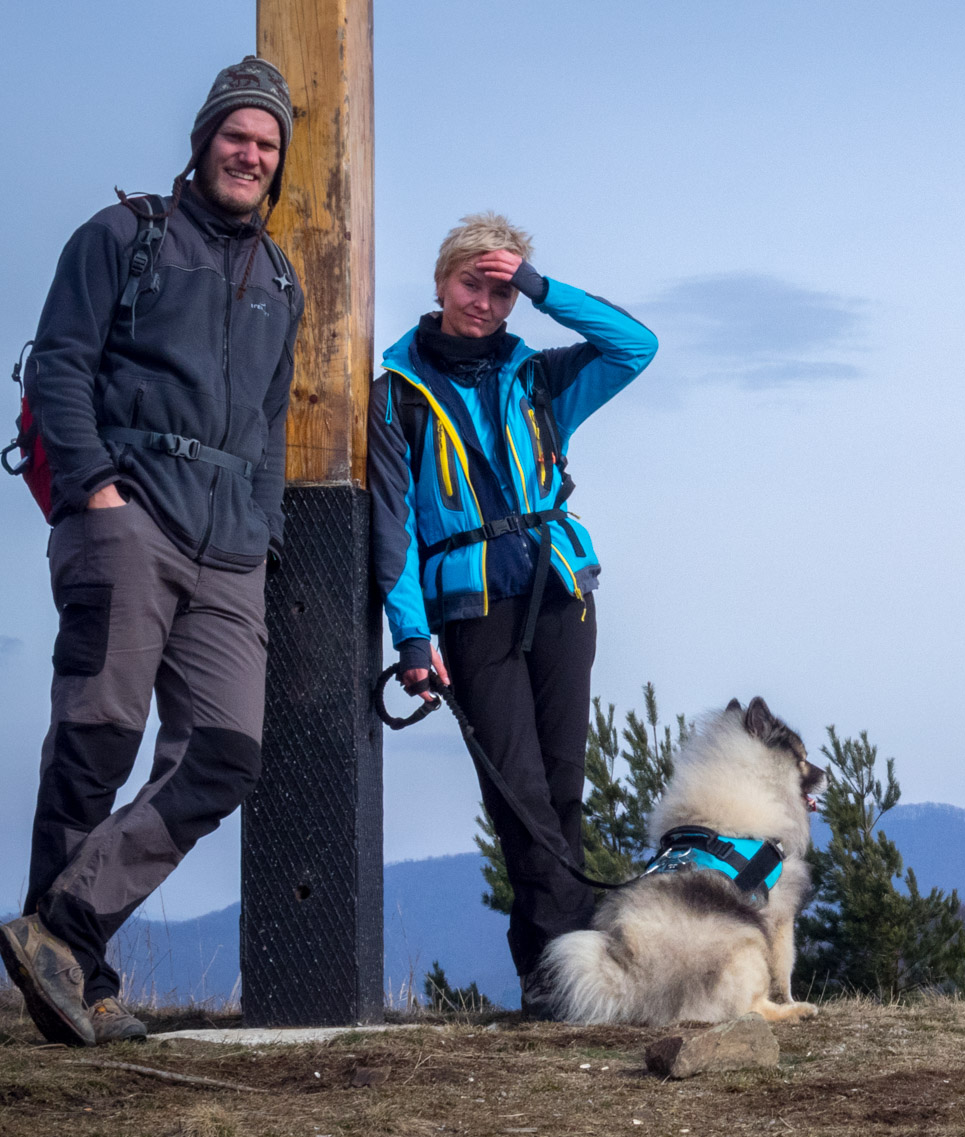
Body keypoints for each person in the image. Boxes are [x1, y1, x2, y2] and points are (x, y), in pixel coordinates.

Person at [0, 57, 305, 1046]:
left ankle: (63, 930)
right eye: (236, 136)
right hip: (127, 517)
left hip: (231, 550)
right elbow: (59, 365)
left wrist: (262, 536)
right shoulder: (123, 235)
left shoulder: (281, 279)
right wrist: (95, 490)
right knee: (97, 734)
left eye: (266, 145)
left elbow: (266, 424)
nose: (249, 155)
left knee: (225, 754)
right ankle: (75, 988)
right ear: (204, 139)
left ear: (278, 161)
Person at [368, 213, 656, 1015]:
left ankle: (556, 976)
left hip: (562, 595)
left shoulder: (542, 378)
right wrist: (413, 636)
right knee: (518, 794)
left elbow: (637, 346)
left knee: (563, 783)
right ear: (439, 282)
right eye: (474, 284)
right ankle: (568, 974)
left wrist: (542, 285)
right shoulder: (395, 394)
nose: (486, 304)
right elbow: (392, 530)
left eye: (501, 292)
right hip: (470, 609)